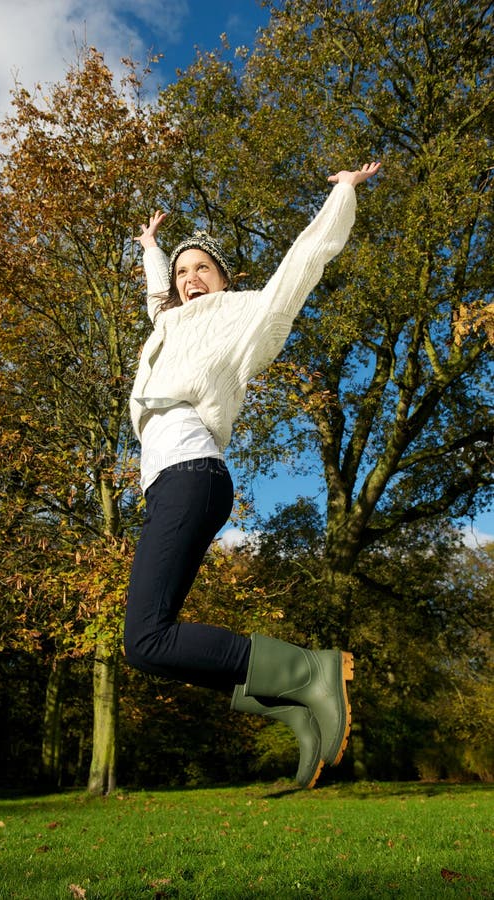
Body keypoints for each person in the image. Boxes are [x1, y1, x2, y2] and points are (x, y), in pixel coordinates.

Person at [124, 162, 381, 788]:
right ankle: (297, 711)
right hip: (169, 485)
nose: (189, 280)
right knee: (154, 643)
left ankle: (307, 674)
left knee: (145, 639)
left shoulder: (241, 314)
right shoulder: (168, 326)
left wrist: (343, 193)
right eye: (184, 274)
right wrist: (154, 249)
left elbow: (300, 265)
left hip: (192, 472)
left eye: (201, 268)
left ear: (223, 278)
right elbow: (158, 299)